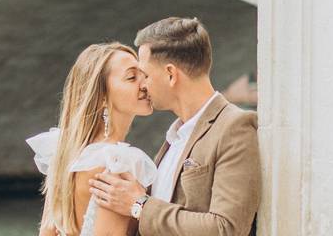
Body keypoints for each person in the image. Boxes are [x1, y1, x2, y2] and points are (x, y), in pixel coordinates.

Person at [89, 17, 261, 236]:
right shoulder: (175, 135)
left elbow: (225, 228)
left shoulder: (235, 127)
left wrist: (140, 204)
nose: (143, 85)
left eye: (147, 75)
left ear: (171, 74)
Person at [28, 43, 157, 236]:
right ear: (101, 97)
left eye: (144, 75)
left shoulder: (67, 154)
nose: (145, 84)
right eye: (131, 77)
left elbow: (47, 232)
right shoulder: (116, 163)